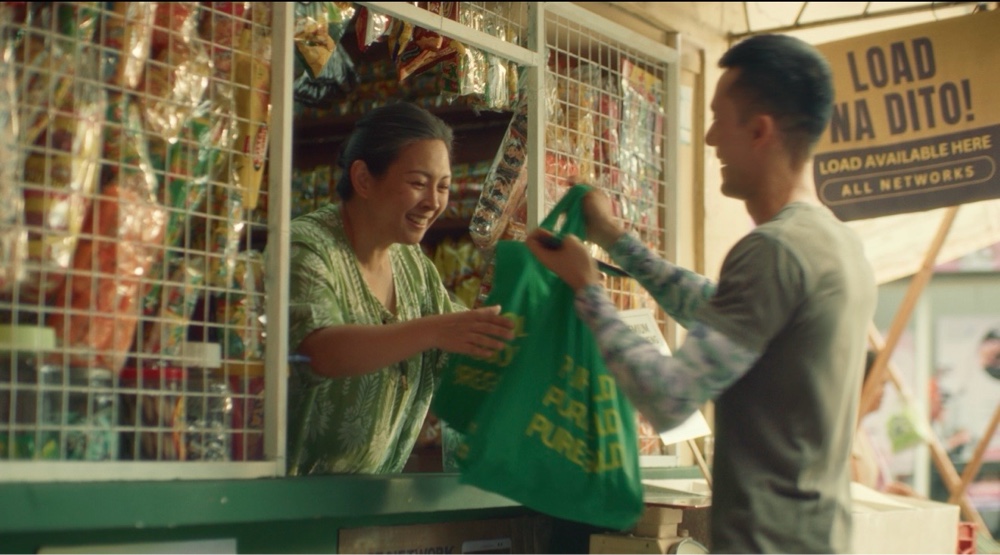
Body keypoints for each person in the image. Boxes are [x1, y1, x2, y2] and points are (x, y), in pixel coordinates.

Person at [527, 34, 877, 553]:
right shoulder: (836, 244)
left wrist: (589, 290)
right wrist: (616, 239)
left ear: (759, 131)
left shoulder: (773, 251)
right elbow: (713, 306)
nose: (710, 137)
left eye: (718, 118)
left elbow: (667, 397)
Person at [284, 102, 515, 475]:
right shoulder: (305, 246)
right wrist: (435, 331)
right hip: (290, 495)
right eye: (418, 183)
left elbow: (460, 348)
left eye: (443, 187)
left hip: (374, 497)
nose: (433, 203)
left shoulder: (412, 264)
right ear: (363, 179)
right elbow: (317, 352)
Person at [851, 350, 919, 496]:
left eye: (885, 385)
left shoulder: (862, 432)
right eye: (880, 384)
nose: (884, 392)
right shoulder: (848, 432)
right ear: (862, 382)